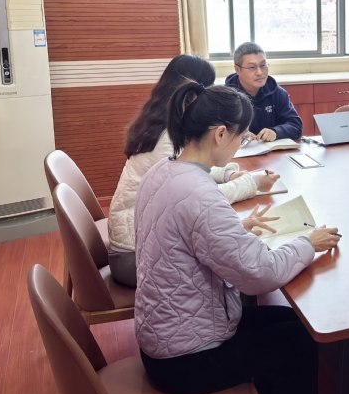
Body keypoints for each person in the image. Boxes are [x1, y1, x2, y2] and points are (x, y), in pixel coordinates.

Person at [135, 81, 340, 394]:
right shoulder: (199, 193)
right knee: (298, 343)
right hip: (186, 359)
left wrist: (236, 228)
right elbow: (261, 274)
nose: (240, 146)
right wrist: (308, 243)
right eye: (241, 138)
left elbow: (182, 236)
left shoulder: (163, 171)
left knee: (293, 323)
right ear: (220, 134)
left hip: (166, 334)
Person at [108, 55, 278, 287]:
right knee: (235, 265)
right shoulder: (166, 138)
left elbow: (192, 168)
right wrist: (253, 183)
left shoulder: (159, 121)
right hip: (134, 255)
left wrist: (227, 174)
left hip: (138, 241)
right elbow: (200, 198)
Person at [225, 41, 303, 141]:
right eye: (252, 67)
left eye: (263, 65)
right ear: (237, 69)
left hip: (271, 150)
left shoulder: (277, 93)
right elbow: (215, 131)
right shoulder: (225, 97)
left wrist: (276, 131)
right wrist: (237, 133)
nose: (259, 72)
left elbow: (296, 126)